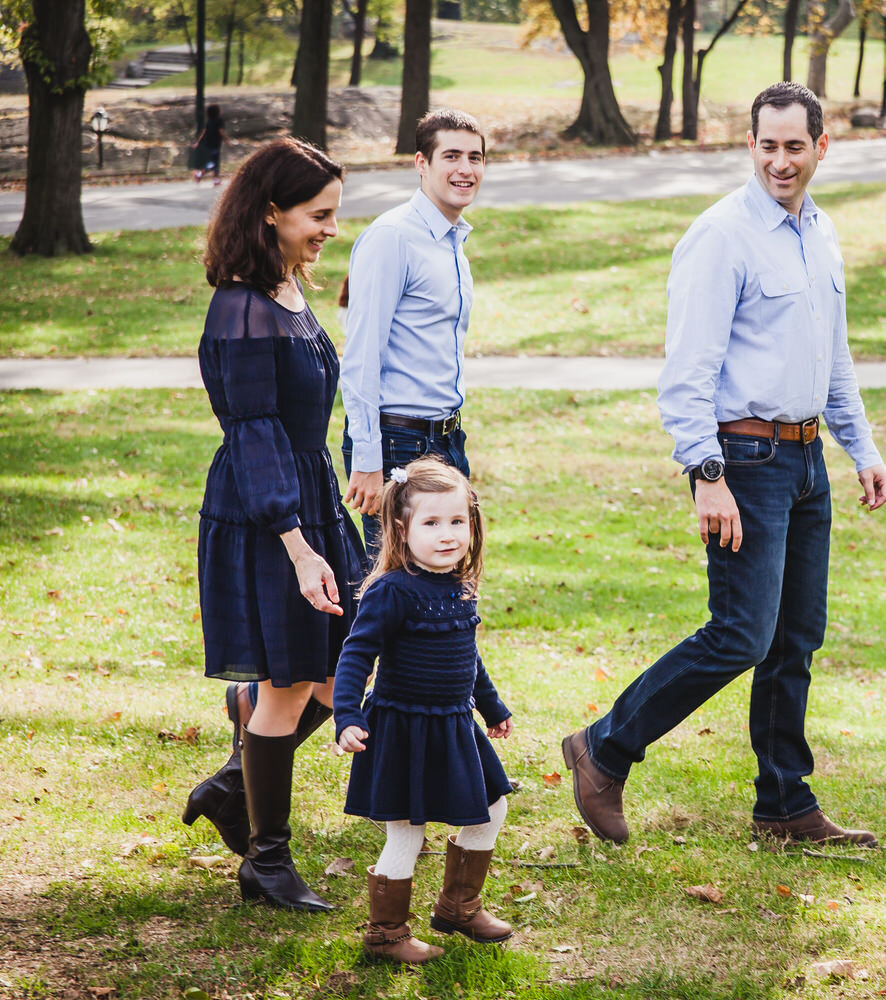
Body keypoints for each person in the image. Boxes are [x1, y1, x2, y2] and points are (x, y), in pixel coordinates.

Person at [562, 82, 886, 848]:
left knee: (795, 637)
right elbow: (688, 372)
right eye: (767, 145)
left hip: (807, 460)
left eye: (795, 145)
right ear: (750, 146)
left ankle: (784, 804)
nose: (781, 160)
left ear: (821, 146)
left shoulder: (822, 233)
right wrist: (707, 475)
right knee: (743, 633)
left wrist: (862, 448)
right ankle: (604, 748)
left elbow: (831, 357)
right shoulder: (721, 236)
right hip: (743, 458)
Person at [181, 137, 364, 912]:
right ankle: (267, 861)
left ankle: (233, 784)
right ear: (270, 213)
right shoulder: (242, 310)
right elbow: (252, 433)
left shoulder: (286, 288)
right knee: (290, 684)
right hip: (269, 513)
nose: (329, 228)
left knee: (342, 665)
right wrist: (296, 546)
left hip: (308, 492)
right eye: (317, 215)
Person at [333, 457, 514, 964]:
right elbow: (356, 655)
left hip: (455, 725)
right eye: (431, 523)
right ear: (401, 528)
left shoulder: (459, 584)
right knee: (407, 833)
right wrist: (347, 715)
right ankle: (386, 934)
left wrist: (491, 705)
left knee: (493, 807)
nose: (447, 534)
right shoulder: (393, 590)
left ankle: (459, 906)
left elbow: (465, 655)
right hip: (404, 728)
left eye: (457, 521)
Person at [340, 108, 487, 557]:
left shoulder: (451, 241)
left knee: (445, 582)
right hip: (398, 442)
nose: (466, 169)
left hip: (446, 437)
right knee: (397, 591)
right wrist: (368, 460)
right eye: (452, 156)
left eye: (476, 158)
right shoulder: (393, 237)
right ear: (421, 163)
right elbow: (362, 355)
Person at [192, 104, 226, 185]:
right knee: (215, 163)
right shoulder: (219, 120)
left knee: (212, 163)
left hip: (208, 145)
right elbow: (221, 132)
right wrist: (227, 140)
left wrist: (198, 142)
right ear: (218, 112)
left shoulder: (209, 121)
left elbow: (204, 133)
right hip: (215, 145)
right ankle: (215, 179)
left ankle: (201, 174)